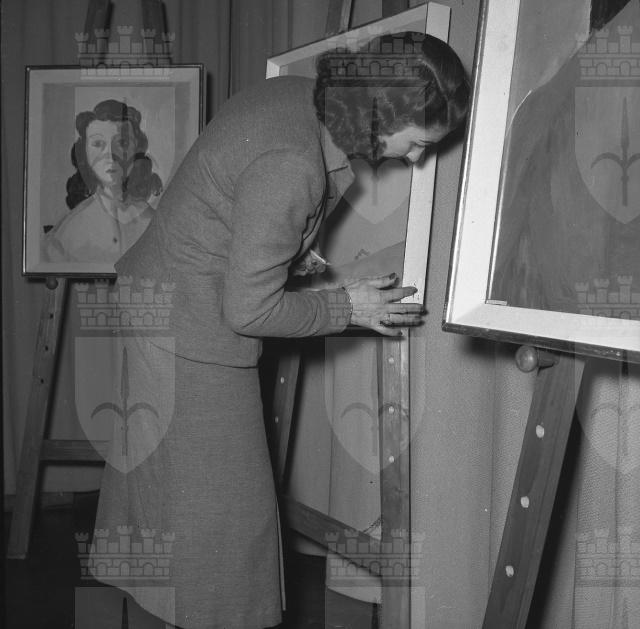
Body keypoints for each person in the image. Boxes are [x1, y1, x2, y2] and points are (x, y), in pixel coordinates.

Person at [90, 31, 469, 629]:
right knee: (228, 524)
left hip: (163, 304)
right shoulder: (294, 163)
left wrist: (294, 255)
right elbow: (249, 311)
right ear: (384, 113)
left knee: (176, 509)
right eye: (418, 143)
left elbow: (230, 205)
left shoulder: (301, 97)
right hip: (187, 329)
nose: (418, 159)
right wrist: (345, 308)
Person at [44, 99, 162, 263]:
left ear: (137, 148)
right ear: (84, 152)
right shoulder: (67, 234)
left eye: (122, 142)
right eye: (98, 144)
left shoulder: (155, 222)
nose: (110, 156)